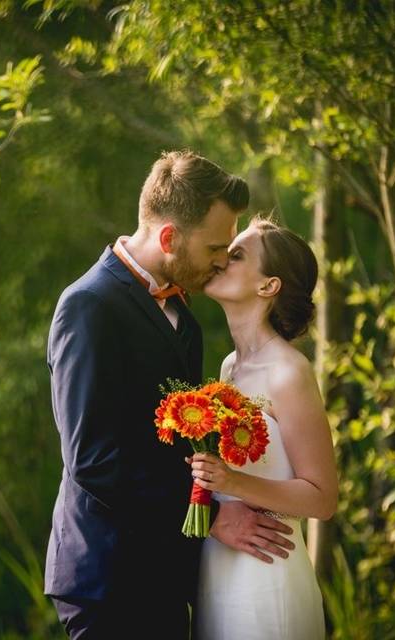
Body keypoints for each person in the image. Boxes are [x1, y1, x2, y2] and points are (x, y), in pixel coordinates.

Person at [44, 151, 295, 639]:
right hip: (109, 577)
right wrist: (214, 515)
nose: (223, 260)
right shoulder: (88, 307)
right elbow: (93, 461)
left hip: (165, 572)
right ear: (168, 237)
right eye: (215, 247)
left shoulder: (186, 318)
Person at [189, 217, 338, 639]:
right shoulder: (228, 368)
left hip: (267, 572)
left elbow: (323, 497)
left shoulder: (289, 372)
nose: (220, 261)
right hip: (218, 567)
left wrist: (232, 481)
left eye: (236, 256)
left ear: (268, 286)